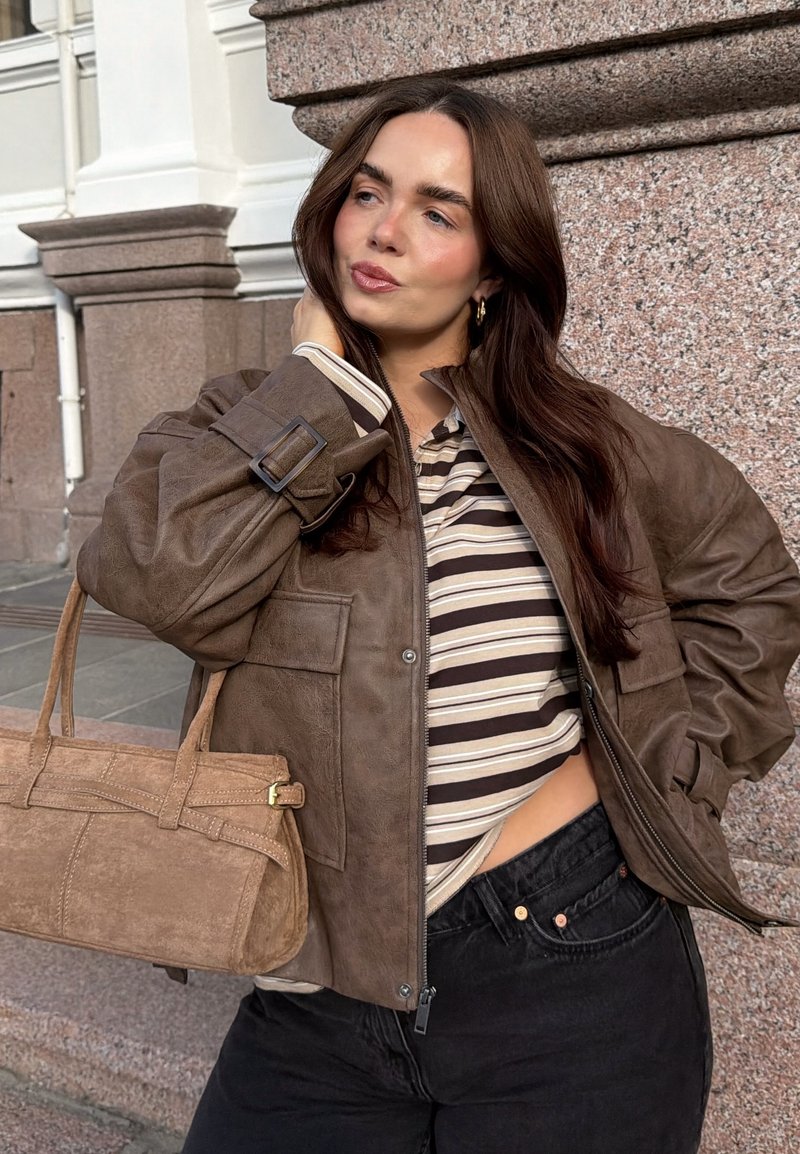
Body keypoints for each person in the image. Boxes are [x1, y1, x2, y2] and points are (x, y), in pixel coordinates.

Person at [76, 78, 800, 1154]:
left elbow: (748, 580)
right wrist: (320, 395)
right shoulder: (241, 422)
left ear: (494, 264)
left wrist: (667, 769)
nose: (382, 231)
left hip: (571, 951)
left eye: (436, 211)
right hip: (317, 983)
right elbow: (158, 584)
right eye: (367, 192)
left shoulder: (578, 440)